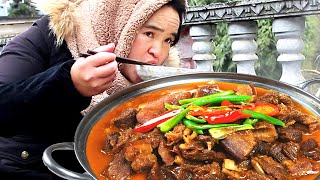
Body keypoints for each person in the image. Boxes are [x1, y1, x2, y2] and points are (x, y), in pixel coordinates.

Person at [0, 0, 186, 179]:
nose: (159, 52)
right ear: (118, 21)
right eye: (149, 34)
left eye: (168, 40)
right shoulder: (48, 35)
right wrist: (69, 84)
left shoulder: (162, 87)